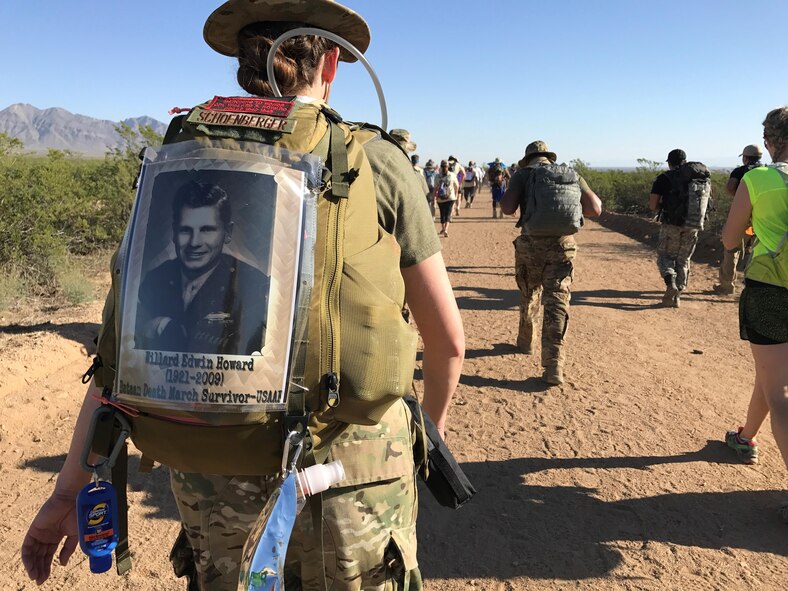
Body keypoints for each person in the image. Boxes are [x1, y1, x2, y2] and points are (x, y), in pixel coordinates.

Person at [21, 1, 465, 589]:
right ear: (329, 62)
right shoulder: (373, 160)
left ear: (243, 63)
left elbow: (115, 358)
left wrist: (68, 490)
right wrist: (415, 448)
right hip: (348, 482)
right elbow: (449, 344)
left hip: (210, 480)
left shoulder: (181, 161)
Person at [721, 107, 788, 523]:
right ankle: (745, 438)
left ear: (768, 141)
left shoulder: (758, 178)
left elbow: (730, 239)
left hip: (771, 290)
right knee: (771, 375)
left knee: (780, 391)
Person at [501, 141, 602, 385]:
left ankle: (526, 341)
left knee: (529, 292)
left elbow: (507, 208)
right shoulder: (571, 174)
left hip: (531, 245)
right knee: (558, 302)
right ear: (549, 157)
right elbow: (595, 209)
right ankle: (554, 364)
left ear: (528, 158)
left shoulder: (523, 175)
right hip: (563, 245)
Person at [135, 180, 269, 355]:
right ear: (174, 232)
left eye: (207, 230)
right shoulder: (156, 279)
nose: (194, 242)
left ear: (227, 232)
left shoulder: (253, 286)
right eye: (185, 230)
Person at [648, 149, 711, 307]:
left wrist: (666, 206)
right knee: (683, 259)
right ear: (685, 161)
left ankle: (670, 283)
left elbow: (653, 205)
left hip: (671, 225)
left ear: (669, 162)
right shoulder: (699, 178)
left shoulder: (664, 178)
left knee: (665, 256)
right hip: (693, 224)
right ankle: (678, 297)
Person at [713, 144, 763, 295]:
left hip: (742, 217)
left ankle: (727, 285)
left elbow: (730, 187)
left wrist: (741, 199)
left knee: (731, 249)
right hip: (761, 218)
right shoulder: (767, 171)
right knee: (757, 251)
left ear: (745, 157)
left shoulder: (740, 171)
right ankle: (753, 286)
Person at [434, 159, 460, 237]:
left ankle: (443, 228)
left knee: (442, 213)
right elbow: (457, 186)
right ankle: (446, 229)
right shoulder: (452, 175)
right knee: (448, 214)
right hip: (450, 197)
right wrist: (455, 195)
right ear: (448, 167)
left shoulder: (437, 176)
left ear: (441, 167)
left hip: (440, 198)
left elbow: (435, 188)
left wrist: (433, 198)